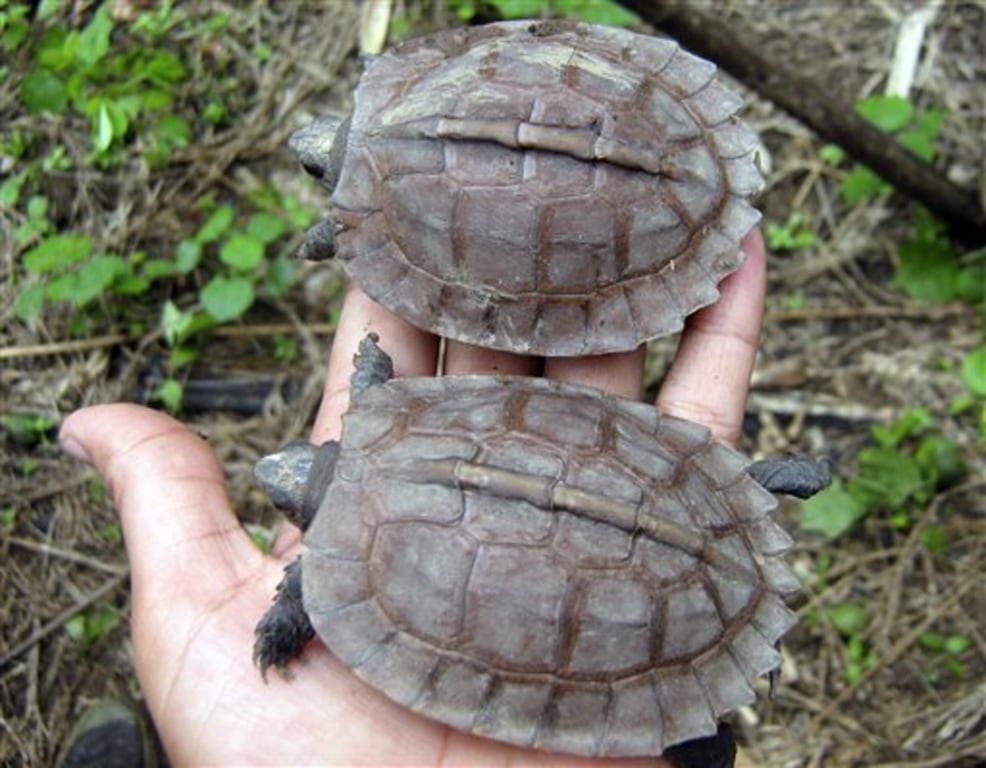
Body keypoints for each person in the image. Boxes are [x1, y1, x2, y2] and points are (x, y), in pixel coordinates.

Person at [59, 231, 767, 766]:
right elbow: (373, 399)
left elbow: (305, 602)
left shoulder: (336, 566)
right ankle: (697, 709)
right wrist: (373, 373)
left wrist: (283, 626)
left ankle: (693, 722)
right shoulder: (375, 454)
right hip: (652, 544)